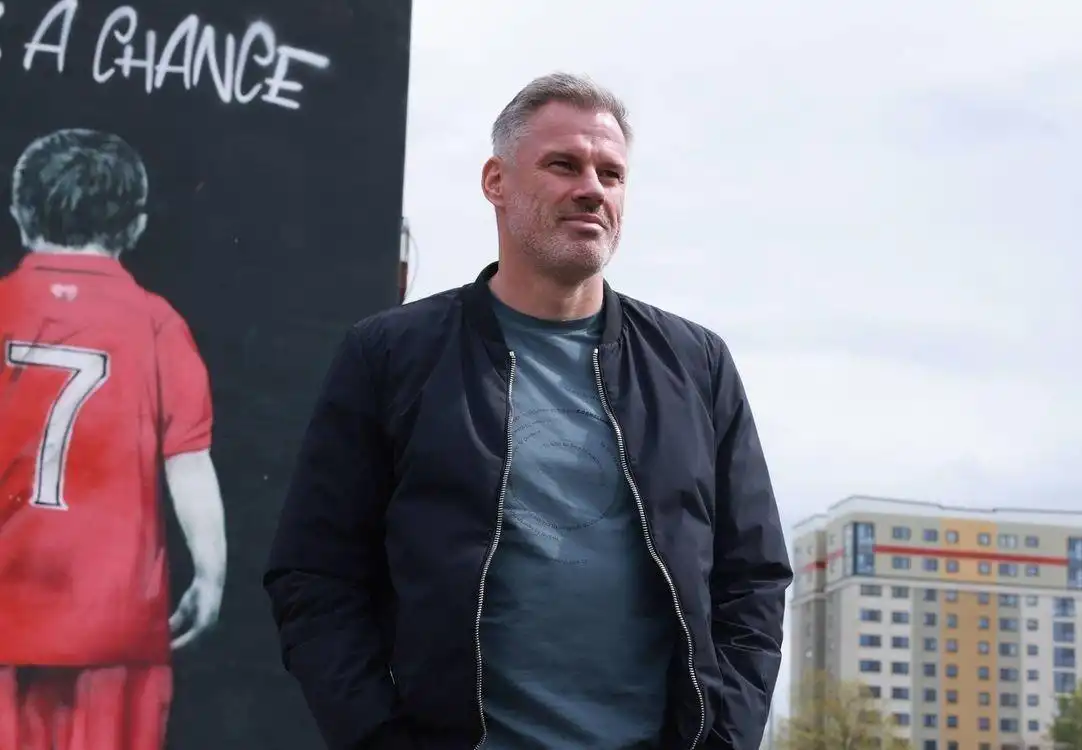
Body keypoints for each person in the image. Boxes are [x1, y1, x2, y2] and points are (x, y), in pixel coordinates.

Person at [264, 73, 792, 750]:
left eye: (611, 173)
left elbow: (753, 580)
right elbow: (316, 575)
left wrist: (723, 740)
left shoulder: (697, 365)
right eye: (563, 165)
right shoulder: (390, 355)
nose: (592, 189)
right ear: (496, 181)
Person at [0, 129, 228, 750]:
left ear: (19, 212)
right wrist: (210, 574)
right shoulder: (157, 322)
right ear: (136, 225)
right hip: (113, 624)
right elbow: (189, 463)